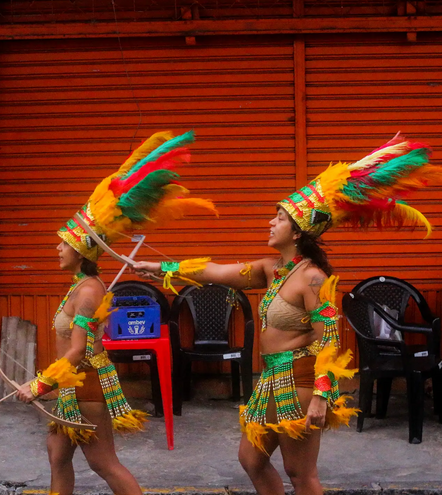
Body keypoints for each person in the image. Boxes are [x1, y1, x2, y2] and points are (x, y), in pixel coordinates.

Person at [133, 135, 441, 495]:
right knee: (251, 459)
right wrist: (158, 267)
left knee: (299, 472)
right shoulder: (272, 269)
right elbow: (214, 271)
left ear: (297, 231)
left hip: (300, 381)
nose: (270, 223)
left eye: (278, 219)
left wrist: (321, 396)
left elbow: (328, 337)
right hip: (270, 379)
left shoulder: (312, 278)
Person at [14, 130, 217, 495]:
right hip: (70, 388)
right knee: (57, 454)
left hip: (86, 387)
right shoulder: (79, 286)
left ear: (81, 250)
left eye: (64, 243)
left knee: (103, 463)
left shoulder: (89, 291)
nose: (58, 248)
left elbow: (77, 350)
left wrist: (39, 384)